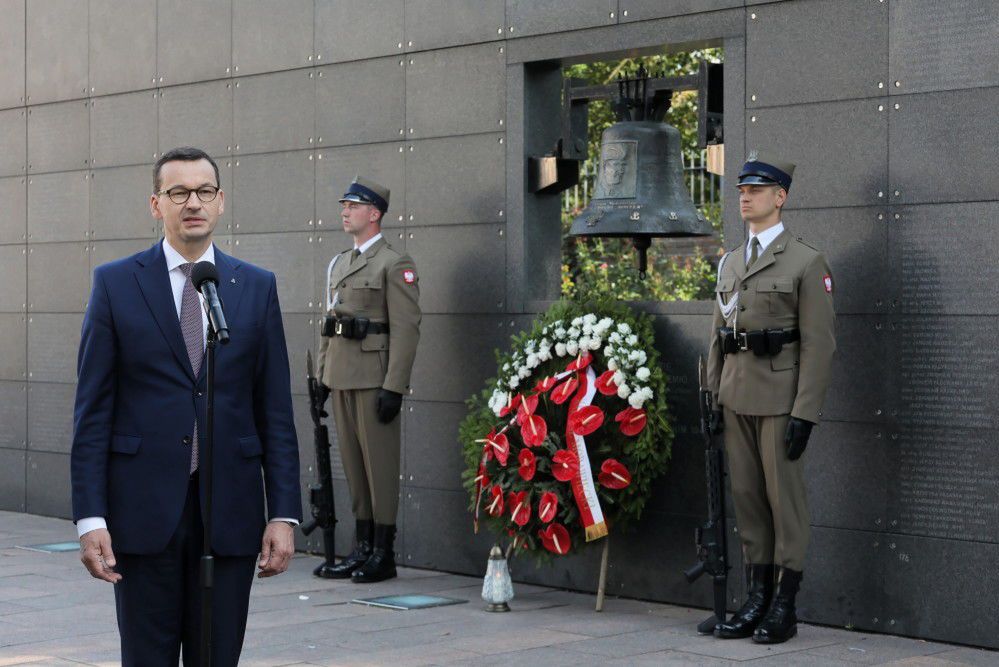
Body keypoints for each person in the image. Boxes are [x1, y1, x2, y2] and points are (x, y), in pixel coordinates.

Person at [71, 147, 302, 666]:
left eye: (203, 191)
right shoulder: (116, 283)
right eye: (178, 192)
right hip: (142, 512)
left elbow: (275, 411)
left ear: (220, 201)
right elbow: (92, 412)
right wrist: (90, 518)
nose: (192, 202)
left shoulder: (255, 286)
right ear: (156, 204)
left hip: (230, 512)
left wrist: (283, 514)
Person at [705, 151, 836, 644]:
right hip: (736, 396)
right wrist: (713, 394)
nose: (745, 197)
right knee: (748, 499)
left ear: (780, 197)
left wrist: (806, 412)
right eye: (742, 190)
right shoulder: (730, 261)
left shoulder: (806, 261)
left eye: (756, 190)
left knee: (785, 503)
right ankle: (756, 597)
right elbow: (718, 334)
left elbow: (820, 345)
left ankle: (785, 603)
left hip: (781, 400)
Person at [316, 176, 421, 583]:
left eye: (354, 206)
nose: (345, 211)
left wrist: (394, 386)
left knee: (380, 468)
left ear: (374, 213)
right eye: (344, 205)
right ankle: (361, 548)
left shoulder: (394, 264)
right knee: (355, 468)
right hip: (341, 377)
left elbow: (406, 329)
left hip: (374, 379)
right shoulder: (340, 263)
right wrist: (322, 377)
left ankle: (383, 552)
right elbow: (329, 324)